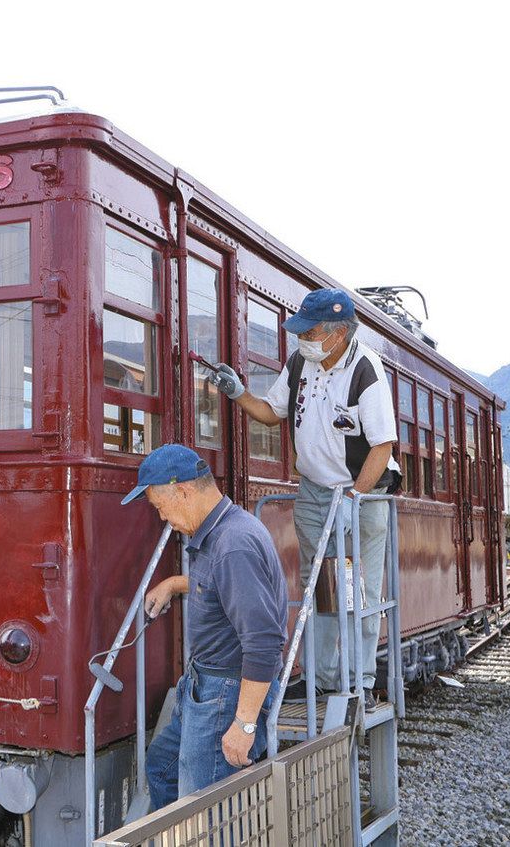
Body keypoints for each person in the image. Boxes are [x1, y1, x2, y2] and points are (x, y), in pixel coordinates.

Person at [211, 288, 401, 707]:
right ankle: (320, 679)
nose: (301, 339)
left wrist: (355, 496)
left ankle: (361, 683)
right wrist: (238, 392)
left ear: (337, 333)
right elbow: (271, 411)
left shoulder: (367, 370)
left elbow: (382, 446)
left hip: (363, 496)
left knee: (360, 589)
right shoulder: (301, 362)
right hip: (315, 491)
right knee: (319, 587)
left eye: (309, 331)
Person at [125, 444, 287, 808]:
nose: (164, 518)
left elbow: (263, 642)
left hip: (226, 693)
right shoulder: (222, 531)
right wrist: (174, 584)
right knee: (162, 769)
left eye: (160, 507)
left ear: (182, 490)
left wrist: (244, 725)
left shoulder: (233, 545)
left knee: (202, 812)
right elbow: (221, 586)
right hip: (203, 687)